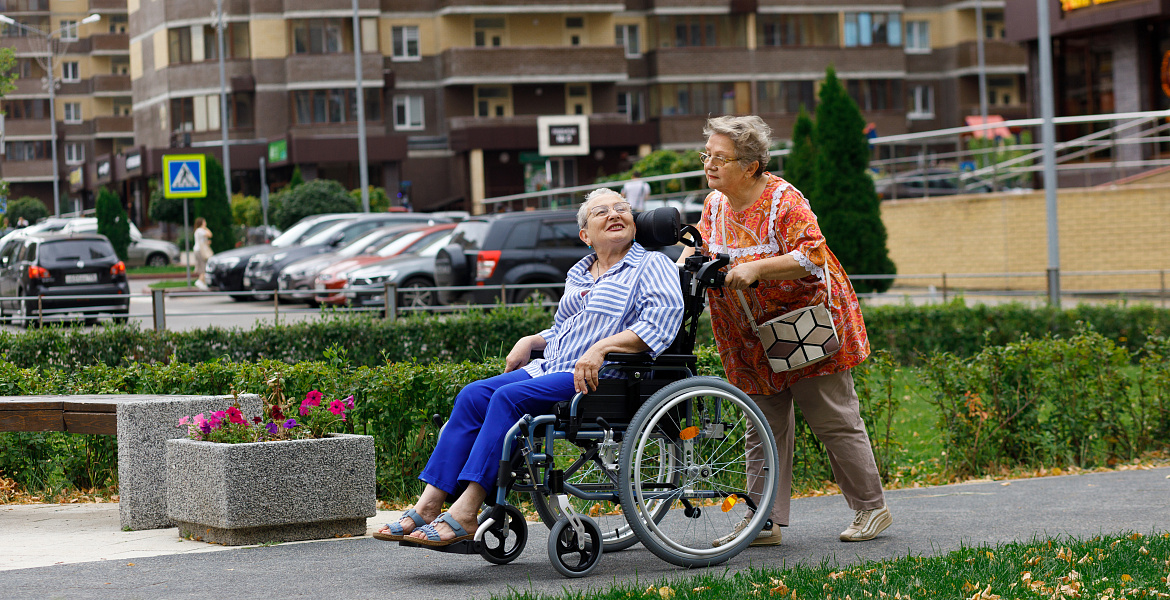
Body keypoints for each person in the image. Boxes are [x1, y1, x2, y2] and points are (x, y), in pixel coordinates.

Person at [375, 189, 684, 547]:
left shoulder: (652, 264)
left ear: (633, 221)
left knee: (508, 399)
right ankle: (429, 505)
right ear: (585, 235)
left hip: (604, 375)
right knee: (473, 395)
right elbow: (568, 327)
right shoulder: (581, 271)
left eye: (621, 208)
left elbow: (660, 323)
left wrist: (602, 348)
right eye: (601, 211)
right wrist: (533, 339)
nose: (614, 214)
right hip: (554, 367)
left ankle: (466, 511)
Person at [677, 115, 891, 546]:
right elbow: (698, 245)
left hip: (802, 327)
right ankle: (764, 520)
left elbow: (812, 254)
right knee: (761, 424)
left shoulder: (782, 200)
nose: (709, 165)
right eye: (707, 156)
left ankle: (872, 510)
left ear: (751, 164)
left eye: (720, 157)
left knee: (833, 419)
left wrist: (755, 268)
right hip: (745, 333)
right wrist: (679, 266)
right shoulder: (715, 203)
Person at [192, 217, 213, 290]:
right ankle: (199, 281)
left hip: (198, 250)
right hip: (200, 251)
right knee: (203, 266)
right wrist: (205, 228)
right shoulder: (200, 230)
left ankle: (203, 283)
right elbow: (210, 234)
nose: (205, 223)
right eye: (204, 222)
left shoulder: (198, 231)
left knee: (202, 266)